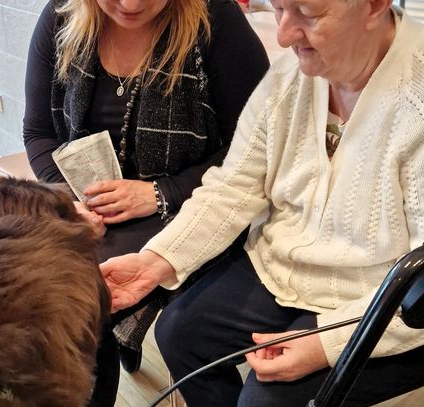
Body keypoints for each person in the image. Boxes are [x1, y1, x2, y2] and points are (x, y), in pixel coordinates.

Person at [100, 0, 424, 406]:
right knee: (179, 333)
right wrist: (155, 261)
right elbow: (234, 186)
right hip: (286, 268)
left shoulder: (416, 99)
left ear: (374, 5)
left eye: (308, 14)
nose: (284, 36)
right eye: (279, 9)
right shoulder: (288, 79)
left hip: (382, 298)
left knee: (265, 400)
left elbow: (419, 286)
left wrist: (327, 345)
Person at [23, 0, 269, 404]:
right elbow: (38, 132)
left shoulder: (214, 19)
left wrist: (162, 192)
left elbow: (254, 146)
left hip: (195, 204)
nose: (131, 5)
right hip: (91, 208)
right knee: (23, 289)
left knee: (79, 303)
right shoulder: (61, 17)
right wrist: (67, 199)